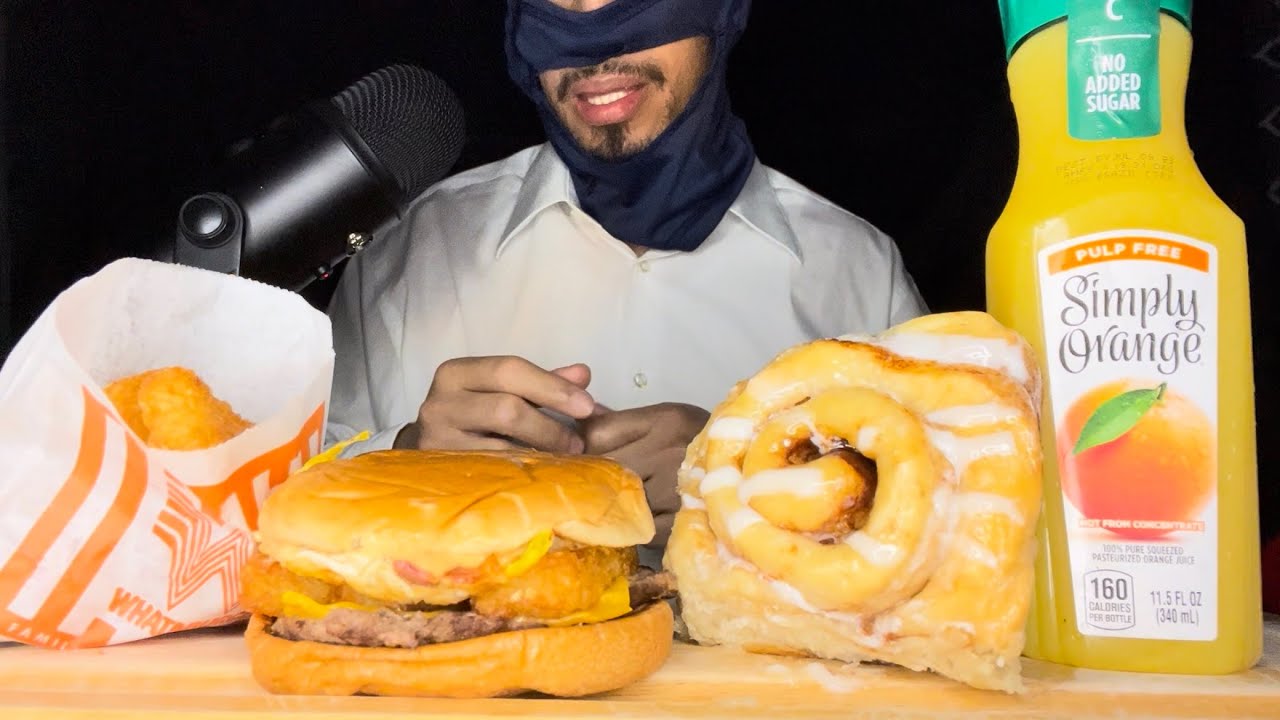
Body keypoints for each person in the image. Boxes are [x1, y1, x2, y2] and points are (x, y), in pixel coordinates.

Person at [324, 0, 928, 560]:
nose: (592, 36)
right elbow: (290, 496)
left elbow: (945, 537)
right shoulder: (408, 253)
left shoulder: (859, 274)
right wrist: (405, 460)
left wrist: (752, 478)